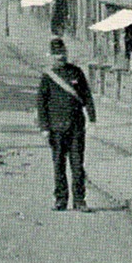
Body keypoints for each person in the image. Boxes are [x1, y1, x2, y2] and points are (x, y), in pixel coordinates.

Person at [37, 36, 96, 211]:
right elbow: (41, 103)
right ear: (51, 56)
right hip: (56, 129)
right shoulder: (48, 77)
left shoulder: (77, 73)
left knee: (77, 165)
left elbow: (87, 97)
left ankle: (79, 200)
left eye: (62, 54)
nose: (60, 57)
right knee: (59, 165)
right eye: (56, 55)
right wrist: (44, 127)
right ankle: (61, 200)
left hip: (76, 127)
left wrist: (93, 120)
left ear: (66, 53)